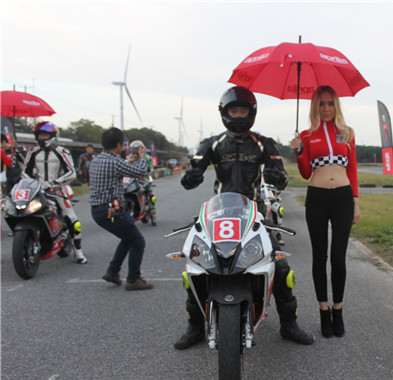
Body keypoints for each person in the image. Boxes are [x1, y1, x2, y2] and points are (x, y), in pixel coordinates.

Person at [176, 85, 314, 348]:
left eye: (243, 111)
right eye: (234, 111)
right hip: (218, 214)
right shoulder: (212, 143)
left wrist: (276, 176)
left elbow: (282, 180)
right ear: (224, 113)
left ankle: (289, 324)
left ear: (251, 113)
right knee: (197, 264)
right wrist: (191, 176)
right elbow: (189, 180)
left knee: (280, 267)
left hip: (253, 214)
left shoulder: (264, 143)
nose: (238, 116)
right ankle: (194, 328)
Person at [289, 85, 361, 339]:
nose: (327, 108)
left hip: (343, 197)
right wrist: (299, 152)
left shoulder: (347, 133)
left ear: (336, 105)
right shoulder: (307, 136)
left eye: (330, 103)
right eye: (322, 104)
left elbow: (352, 169)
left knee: (338, 257)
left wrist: (355, 201)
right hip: (317, 198)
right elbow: (305, 173)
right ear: (315, 107)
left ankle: (338, 309)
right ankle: (323, 310)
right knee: (319, 256)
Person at [89, 127, 153, 291]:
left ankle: (112, 271)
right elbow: (141, 171)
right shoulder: (115, 162)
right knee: (138, 241)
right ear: (118, 144)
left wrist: (128, 161)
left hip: (97, 210)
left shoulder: (97, 160)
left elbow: (114, 171)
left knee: (127, 237)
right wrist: (143, 156)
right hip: (111, 211)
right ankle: (133, 279)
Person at [22, 122, 88, 264]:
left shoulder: (62, 151)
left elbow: (71, 172)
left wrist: (54, 183)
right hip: (37, 189)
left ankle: (78, 252)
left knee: (73, 220)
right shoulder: (32, 152)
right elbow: (25, 171)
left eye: (45, 135)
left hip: (58, 189)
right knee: (24, 211)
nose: (42, 138)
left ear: (53, 136)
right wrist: (33, 183)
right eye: (40, 135)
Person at [128, 140, 156, 213]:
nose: (135, 152)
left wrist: (142, 157)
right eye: (133, 149)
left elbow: (150, 169)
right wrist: (129, 161)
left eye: (137, 149)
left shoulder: (146, 157)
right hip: (132, 181)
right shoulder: (129, 157)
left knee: (151, 196)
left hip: (144, 180)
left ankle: (152, 209)